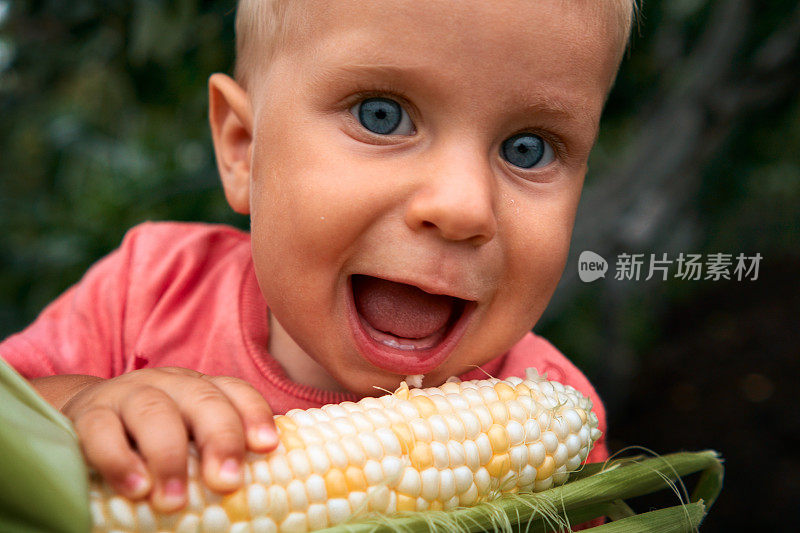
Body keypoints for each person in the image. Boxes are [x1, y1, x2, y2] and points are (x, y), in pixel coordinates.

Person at [0, 0, 634, 518]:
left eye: (528, 149)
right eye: (382, 116)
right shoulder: (151, 290)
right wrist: (79, 407)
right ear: (244, 148)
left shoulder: (551, 406)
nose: (464, 206)